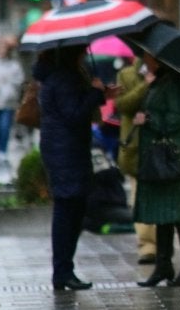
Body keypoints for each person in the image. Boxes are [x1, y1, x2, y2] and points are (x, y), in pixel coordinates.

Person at [32, 44, 120, 291]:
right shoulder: (63, 78)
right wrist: (94, 93)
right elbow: (74, 114)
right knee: (68, 209)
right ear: (72, 54)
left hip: (65, 149)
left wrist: (101, 94)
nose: (84, 55)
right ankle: (62, 271)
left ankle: (64, 270)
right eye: (81, 52)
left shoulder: (59, 76)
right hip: (65, 151)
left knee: (73, 208)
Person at [134, 51, 180, 288]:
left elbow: (177, 119)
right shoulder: (160, 82)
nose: (144, 61)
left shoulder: (174, 84)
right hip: (162, 155)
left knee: (179, 211)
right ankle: (164, 265)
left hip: (175, 155)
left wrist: (149, 120)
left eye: (147, 57)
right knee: (163, 211)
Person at [115, 57, 157, 265]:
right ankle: (147, 246)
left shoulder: (168, 74)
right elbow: (122, 104)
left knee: (160, 196)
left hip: (161, 146)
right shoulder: (127, 75)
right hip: (136, 146)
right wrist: (145, 85)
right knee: (139, 196)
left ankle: (163, 243)